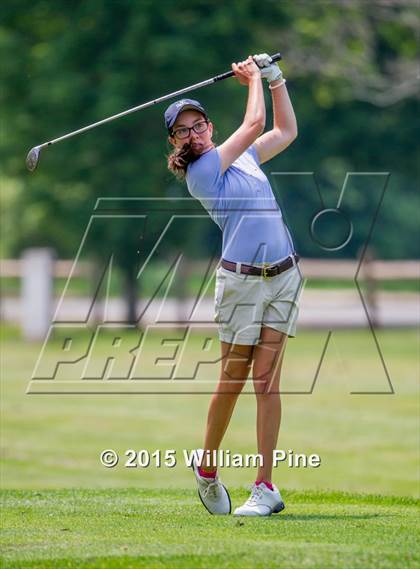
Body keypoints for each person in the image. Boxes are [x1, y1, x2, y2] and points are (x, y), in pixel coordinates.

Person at [164, 54, 302, 516]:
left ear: (209, 126)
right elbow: (256, 118)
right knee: (233, 380)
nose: (193, 132)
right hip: (240, 284)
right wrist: (251, 80)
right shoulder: (201, 173)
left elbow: (283, 131)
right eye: (183, 130)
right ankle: (207, 468)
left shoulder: (242, 155)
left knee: (267, 382)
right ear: (176, 142)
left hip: (283, 277)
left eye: (198, 123)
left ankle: (265, 487)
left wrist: (275, 77)